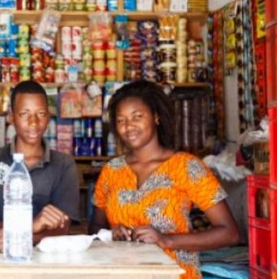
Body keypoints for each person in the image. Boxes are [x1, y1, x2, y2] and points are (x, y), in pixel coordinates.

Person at [88, 80, 239, 279]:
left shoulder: (186, 167)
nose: (128, 126)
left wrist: (166, 240)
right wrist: (111, 234)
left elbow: (229, 233)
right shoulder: (111, 171)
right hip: (122, 273)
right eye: (121, 120)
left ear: (156, 117)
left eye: (137, 117)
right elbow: (95, 227)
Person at [0, 80, 80, 251]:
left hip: (47, 262)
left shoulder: (64, 165)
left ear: (48, 117)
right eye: (24, 114)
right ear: (11, 117)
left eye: (41, 114)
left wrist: (21, 235)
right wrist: (35, 225)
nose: (33, 122)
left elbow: (62, 228)